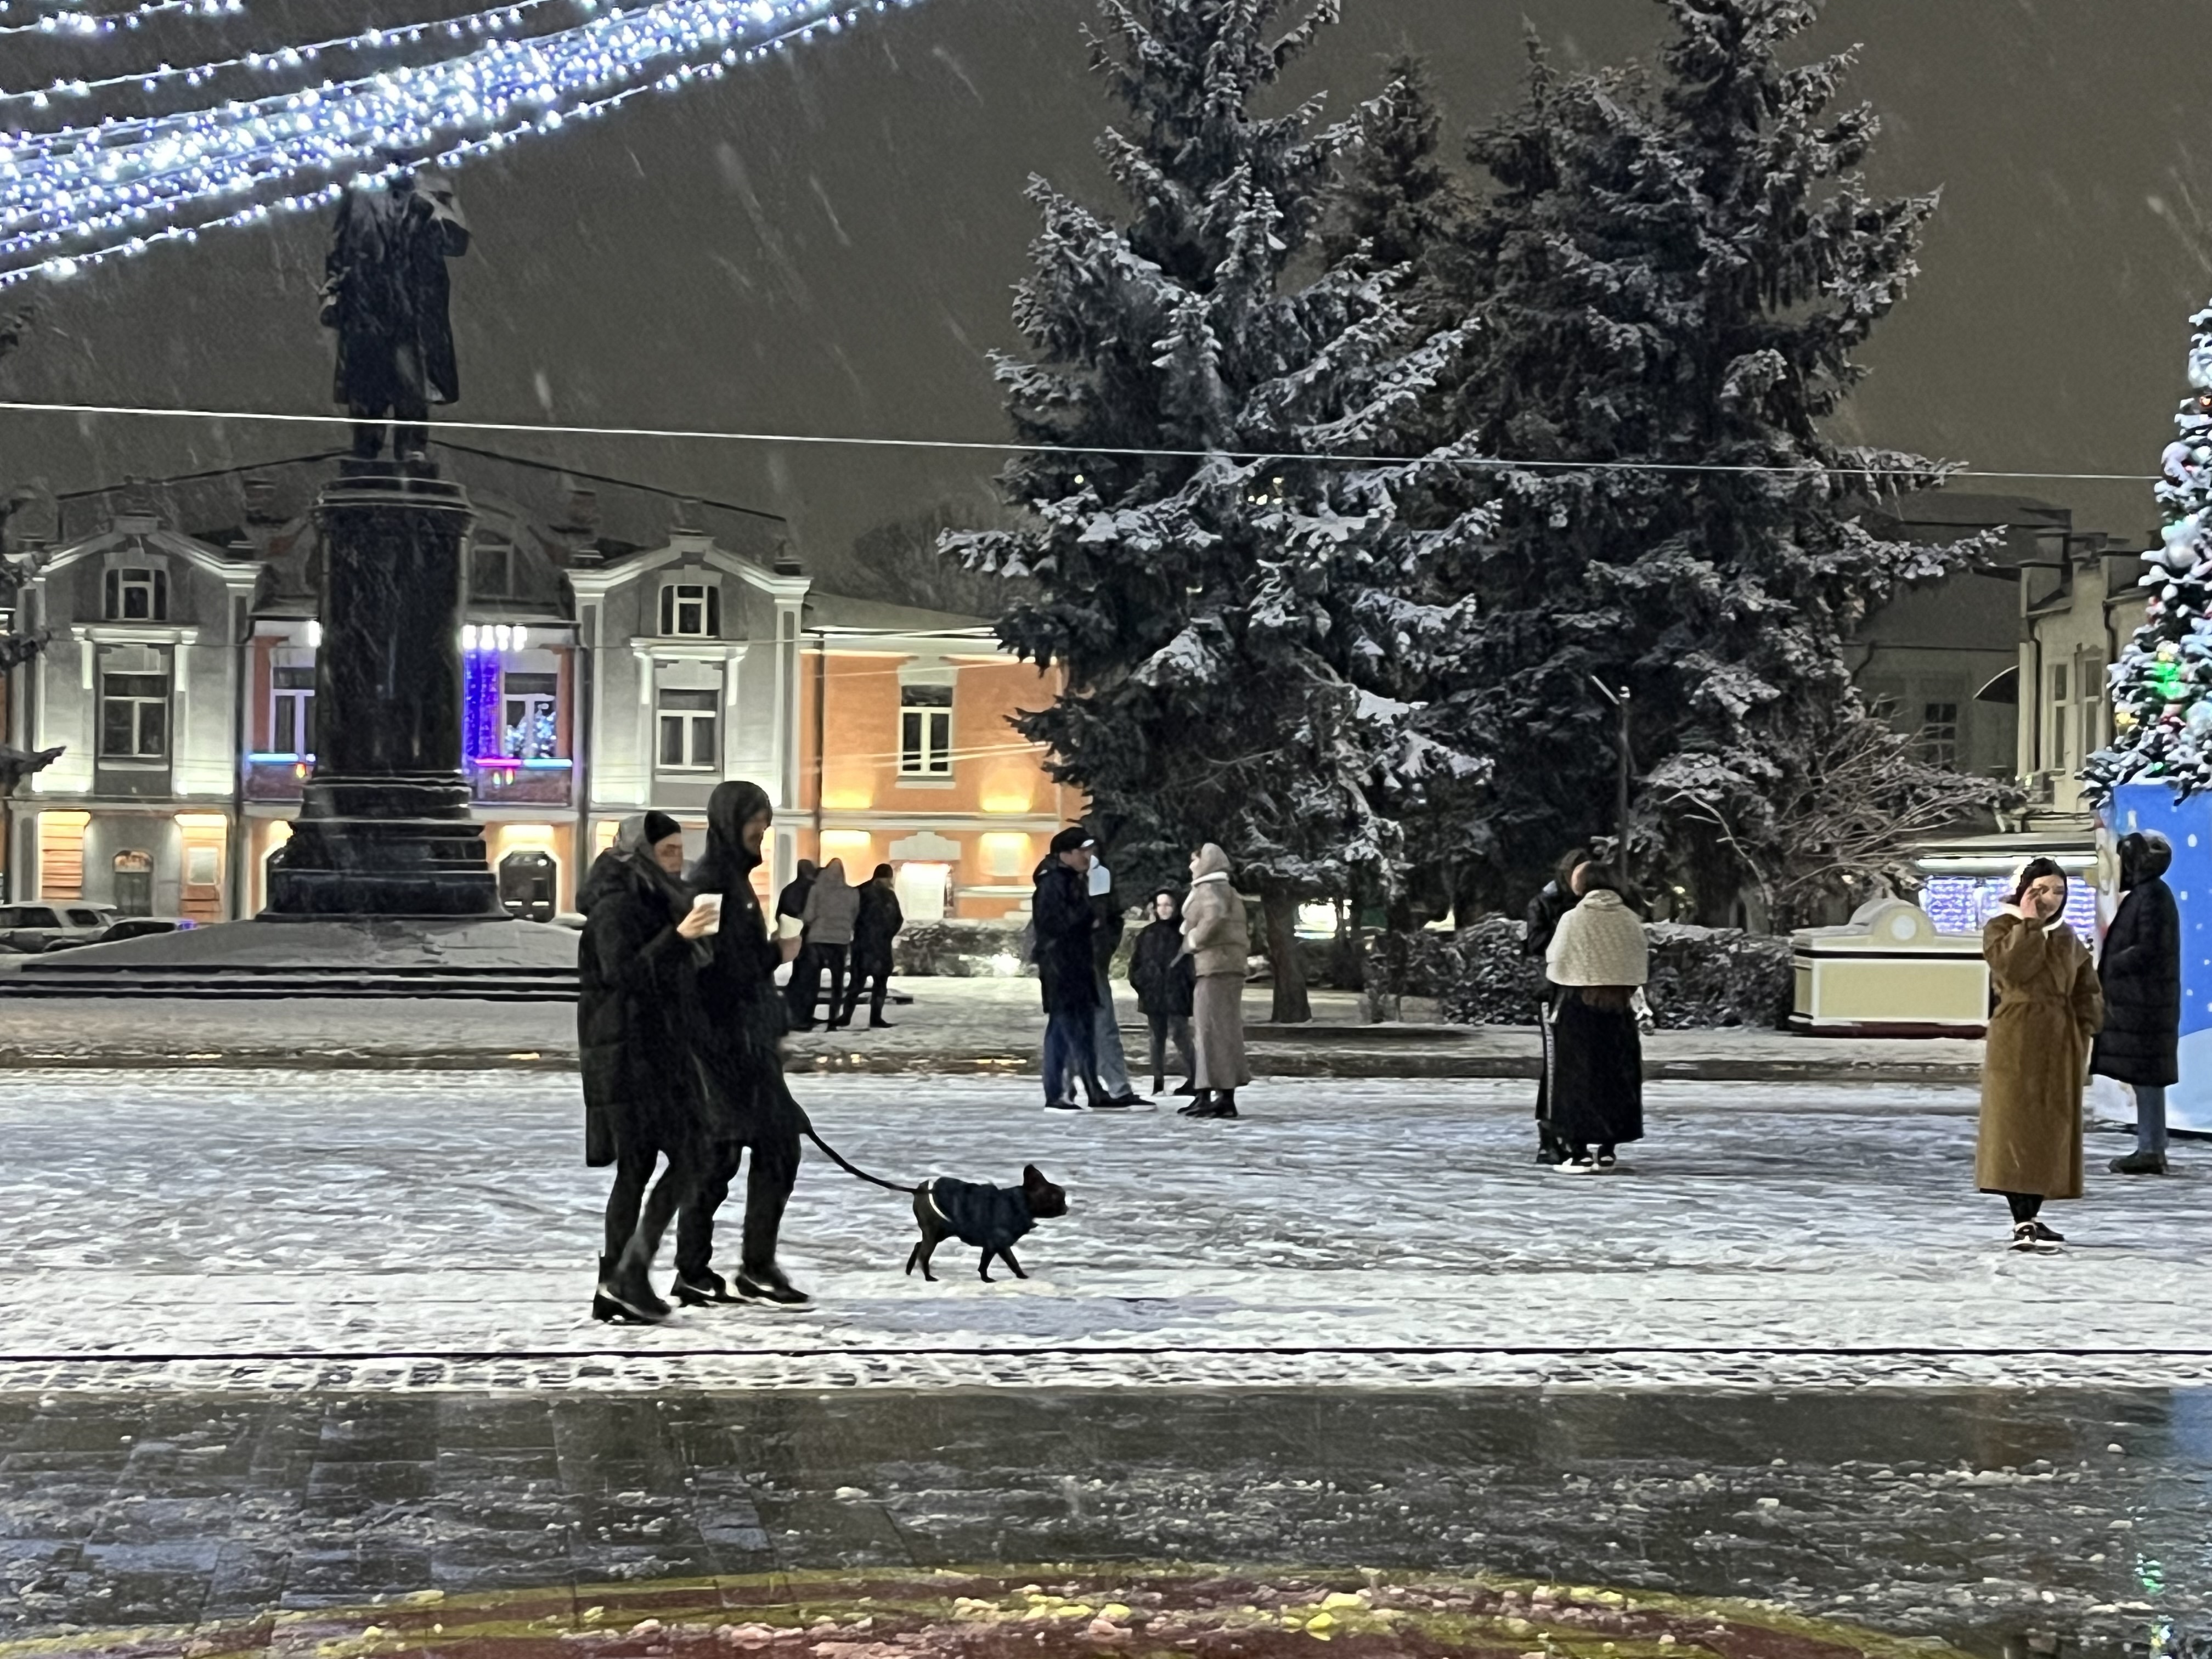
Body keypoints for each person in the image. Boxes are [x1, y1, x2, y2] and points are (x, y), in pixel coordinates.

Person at [577, 811, 718, 1324]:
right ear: (642, 851)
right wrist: (678, 938)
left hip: (660, 1049)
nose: (678, 859)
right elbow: (623, 973)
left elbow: (679, 973)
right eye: (668, 850)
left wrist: (703, 947)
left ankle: (618, 1280)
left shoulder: (662, 896)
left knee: (653, 1165)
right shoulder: (617, 902)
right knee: (676, 1158)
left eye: (681, 849)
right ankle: (624, 1275)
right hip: (629, 1052)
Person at [685, 779, 814, 1307]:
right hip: (723, 1049)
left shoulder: (732, 880)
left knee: (750, 1152)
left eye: (765, 820)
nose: (763, 829)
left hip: (744, 1043)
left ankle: (718, 1267)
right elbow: (713, 968)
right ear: (730, 822)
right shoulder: (712, 884)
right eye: (755, 819)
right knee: (730, 1156)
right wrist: (778, 952)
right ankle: (717, 1267)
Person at [1980, 857, 2104, 1250]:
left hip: (2060, 1040)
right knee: (2016, 1127)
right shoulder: (2003, 928)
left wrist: (2085, 1027)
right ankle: (2021, 1219)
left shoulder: (2067, 936)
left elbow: (2086, 987)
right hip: (2018, 1037)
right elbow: (2013, 969)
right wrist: (2030, 924)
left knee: (2049, 1129)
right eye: (2041, 890)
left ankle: (2032, 1215)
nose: (2051, 898)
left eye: (2059, 891)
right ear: (2025, 891)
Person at [1542, 864, 1646, 1172]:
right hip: (1618, 1007)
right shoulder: (1630, 919)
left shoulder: (1573, 919)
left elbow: (1557, 961)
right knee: (1615, 1077)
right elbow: (1638, 961)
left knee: (1578, 1078)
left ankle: (1578, 1152)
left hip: (1580, 1006)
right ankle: (1608, 1148)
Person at [2094, 832, 2180, 1176]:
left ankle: (2151, 1149)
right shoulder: (2149, 894)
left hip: (2144, 1005)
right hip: (2144, 1003)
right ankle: (2151, 1147)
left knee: (2148, 1078)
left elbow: (2150, 947)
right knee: (2147, 1078)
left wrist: (2115, 964)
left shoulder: (2151, 896)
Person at [1034, 826, 1113, 1110]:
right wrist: (1089, 916)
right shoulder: (1053, 884)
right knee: (1065, 1031)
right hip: (1062, 968)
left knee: (1082, 1031)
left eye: (1089, 850)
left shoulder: (1074, 881)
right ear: (1064, 854)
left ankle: (1091, 1089)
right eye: (1083, 851)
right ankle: (1059, 1093)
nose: (1088, 856)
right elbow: (1056, 925)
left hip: (1076, 966)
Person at [1522, 846, 1591, 1165]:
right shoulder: (1546, 902)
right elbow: (1536, 943)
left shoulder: (1590, 905)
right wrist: (1568, 929)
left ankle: (1575, 1132)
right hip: (1555, 992)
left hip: (1587, 990)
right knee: (1555, 1067)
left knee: (1583, 1067)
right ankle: (1549, 1136)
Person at [1179, 843, 1250, 1120]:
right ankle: (1215, 1095)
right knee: (1219, 1031)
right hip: (1224, 967)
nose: (1191, 866)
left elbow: (1215, 916)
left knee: (1210, 1032)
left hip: (1216, 968)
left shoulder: (1211, 889)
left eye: (1194, 860)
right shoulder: (1225, 889)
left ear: (1207, 862)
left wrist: (1193, 940)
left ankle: (1215, 1096)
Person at [1087, 854, 1147, 1107]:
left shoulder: (1092, 879)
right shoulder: (1069, 885)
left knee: (1090, 1028)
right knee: (1098, 1027)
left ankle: (1104, 1087)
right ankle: (1114, 1088)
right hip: (1083, 966)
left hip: (1085, 965)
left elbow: (1110, 922)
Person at [1128, 888, 1197, 1096]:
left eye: (1168, 905)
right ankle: (1158, 1082)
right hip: (1153, 993)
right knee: (1156, 1038)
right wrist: (1143, 984)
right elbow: (1136, 964)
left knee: (1180, 1035)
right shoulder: (1147, 934)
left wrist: (1186, 986)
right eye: (1160, 905)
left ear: (1175, 907)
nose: (1164, 909)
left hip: (1177, 993)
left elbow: (1190, 966)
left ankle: (1196, 1079)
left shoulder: (1183, 933)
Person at [795, 857, 860, 1031]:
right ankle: (833, 1020)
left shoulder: (816, 890)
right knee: (837, 983)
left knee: (813, 981)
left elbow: (809, 915)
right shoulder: (852, 893)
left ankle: (808, 1017)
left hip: (817, 939)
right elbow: (855, 916)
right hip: (840, 940)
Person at [844, 862, 904, 1029]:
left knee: (857, 983)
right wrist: (888, 935)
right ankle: (876, 1018)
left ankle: (846, 1016)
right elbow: (899, 919)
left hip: (862, 945)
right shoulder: (889, 895)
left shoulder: (859, 891)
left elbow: (849, 915)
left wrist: (856, 931)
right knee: (880, 984)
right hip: (880, 947)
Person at [776, 857, 818, 1026]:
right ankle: (803, 1016)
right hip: (810, 937)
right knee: (808, 978)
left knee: (800, 975)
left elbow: (780, 914)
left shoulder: (789, 889)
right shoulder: (812, 889)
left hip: (794, 938)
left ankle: (796, 1014)